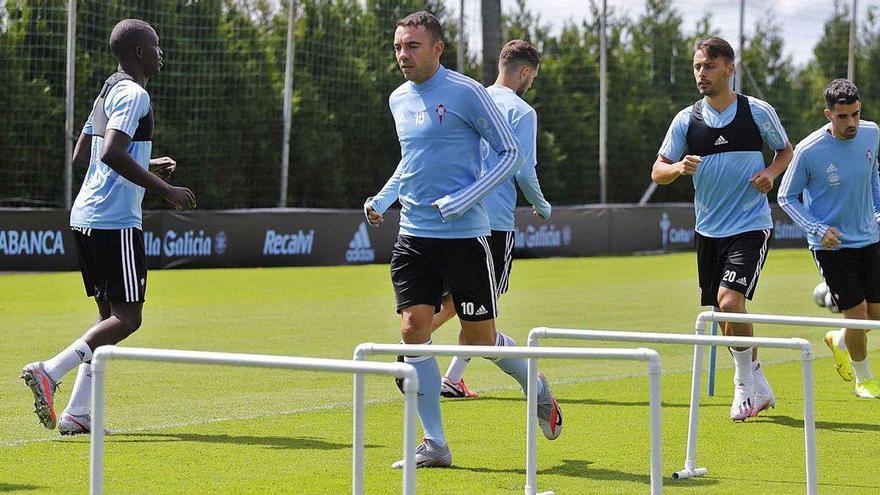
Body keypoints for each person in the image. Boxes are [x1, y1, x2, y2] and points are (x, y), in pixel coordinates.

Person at [364, 11, 562, 468]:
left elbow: (511, 153)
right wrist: (382, 197)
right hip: (414, 236)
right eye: (398, 46)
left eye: (412, 46)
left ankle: (535, 384)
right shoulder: (397, 98)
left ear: (437, 49)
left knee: (478, 341)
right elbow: (409, 163)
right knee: (414, 331)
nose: (402, 55)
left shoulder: (468, 93)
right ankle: (434, 443)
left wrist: (464, 198)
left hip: (466, 237)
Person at [20, 19, 196, 435]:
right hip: (113, 221)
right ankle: (50, 370)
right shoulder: (134, 93)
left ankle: (78, 414)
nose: (160, 51)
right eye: (155, 44)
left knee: (106, 321)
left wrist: (146, 162)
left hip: (84, 217)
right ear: (139, 52)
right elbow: (113, 152)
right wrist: (165, 188)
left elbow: (85, 153)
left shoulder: (108, 89)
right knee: (128, 318)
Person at [651, 37, 793, 421]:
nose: (702, 73)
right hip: (708, 230)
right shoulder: (686, 119)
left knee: (731, 302)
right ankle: (758, 381)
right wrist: (678, 168)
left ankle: (743, 386)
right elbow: (658, 171)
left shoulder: (756, 112)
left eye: (709, 66)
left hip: (750, 224)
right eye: (697, 66)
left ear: (730, 68)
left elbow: (785, 151)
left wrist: (770, 174)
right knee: (724, 316)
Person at [778, 79, 880, 398]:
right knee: (859, 314)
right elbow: (785, 197)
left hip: (870, 238)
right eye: (843, 117)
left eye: (855, 114)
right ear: (828, 114)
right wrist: (818, 229)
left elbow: (872, 173)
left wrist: (878, 211)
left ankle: (839, 338)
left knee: (875, 315)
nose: (851, 123)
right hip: (831, 247)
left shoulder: (872, 132)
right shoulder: (809, 151)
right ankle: (864, 380)